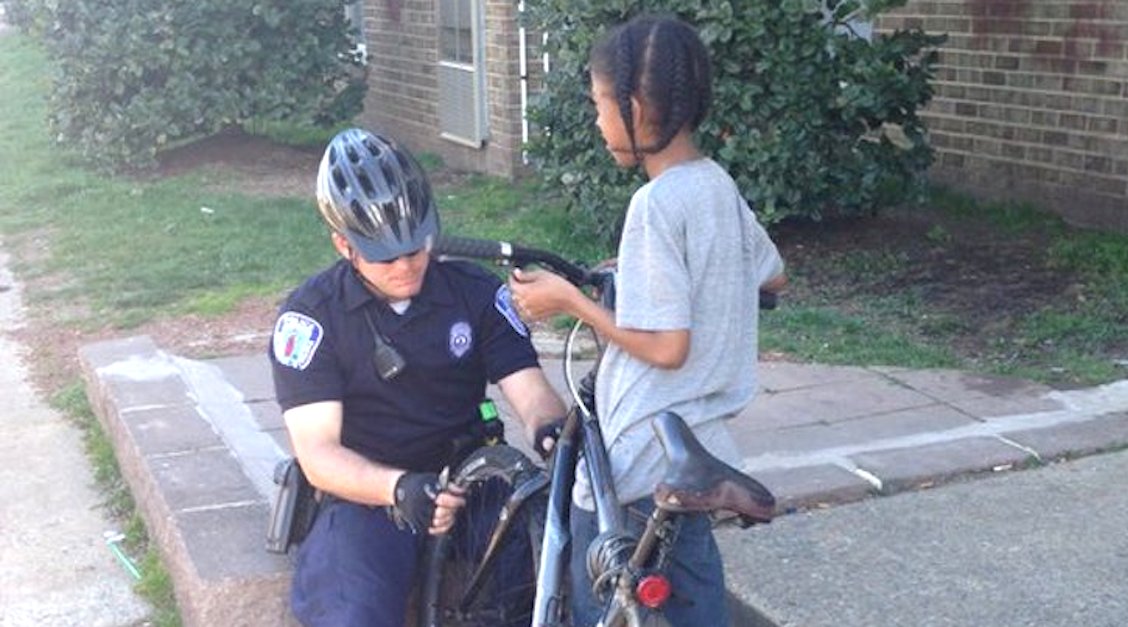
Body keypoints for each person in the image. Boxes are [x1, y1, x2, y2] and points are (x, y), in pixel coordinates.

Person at [506, 14, 787, 626]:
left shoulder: (654, 204)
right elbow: (772, 274)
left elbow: (666, 347)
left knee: (597, 599)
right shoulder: (717, 185)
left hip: (638, 457)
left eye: (601, 105)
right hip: (699, 452)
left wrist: (569, 301)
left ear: (635, 106)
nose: (600, 121)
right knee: (695, 606)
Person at [269, 127, 567, 626]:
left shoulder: (474, 292)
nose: (407, 266)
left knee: (546, 577)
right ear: (344, 244)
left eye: (416, 248)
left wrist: (551, 433)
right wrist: (401, 488)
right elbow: (318, 453)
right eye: (386, 256)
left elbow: (530, 390)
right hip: (373, 492)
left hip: (470, 476)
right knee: (353, 612)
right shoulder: (312, 318)